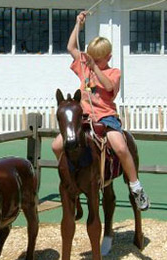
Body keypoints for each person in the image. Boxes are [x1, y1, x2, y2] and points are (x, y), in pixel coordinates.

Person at [52, 11, 150, 210]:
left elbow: (107, 87)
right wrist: (78, 25)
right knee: (56, 145)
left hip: (106, 118)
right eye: (92, 59)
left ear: (108, 57)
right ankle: (71, 177)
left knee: (121, 147)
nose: (94, 62)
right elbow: (71, 47)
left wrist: (95, 69)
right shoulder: (84, 65)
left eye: (99, 60)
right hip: (84, 118)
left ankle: (135, 186)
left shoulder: (113, 72)